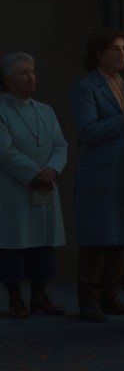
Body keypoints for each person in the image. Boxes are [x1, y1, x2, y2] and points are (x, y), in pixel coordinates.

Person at [69, 29, 124, 322]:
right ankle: (88, 298)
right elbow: (88, 131)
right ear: (98, 54)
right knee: (97, 234)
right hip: (100, 171)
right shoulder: (86, 87)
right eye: (115, 48)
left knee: (121, 231)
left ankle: (111, 294)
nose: (122, 54)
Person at [0, 52, 68, 319]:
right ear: (7, 81)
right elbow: (5, 152)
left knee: (44, 242)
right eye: (23, 73)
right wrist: (35, 174)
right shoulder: (2, 110)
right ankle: (15, 296)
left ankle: (40, 295)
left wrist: (53, 169)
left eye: (32, 71)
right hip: (15, 188)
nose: (31, 77)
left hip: (46, 185)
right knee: (14, 242)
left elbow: (60, 144)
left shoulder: (45, 110)